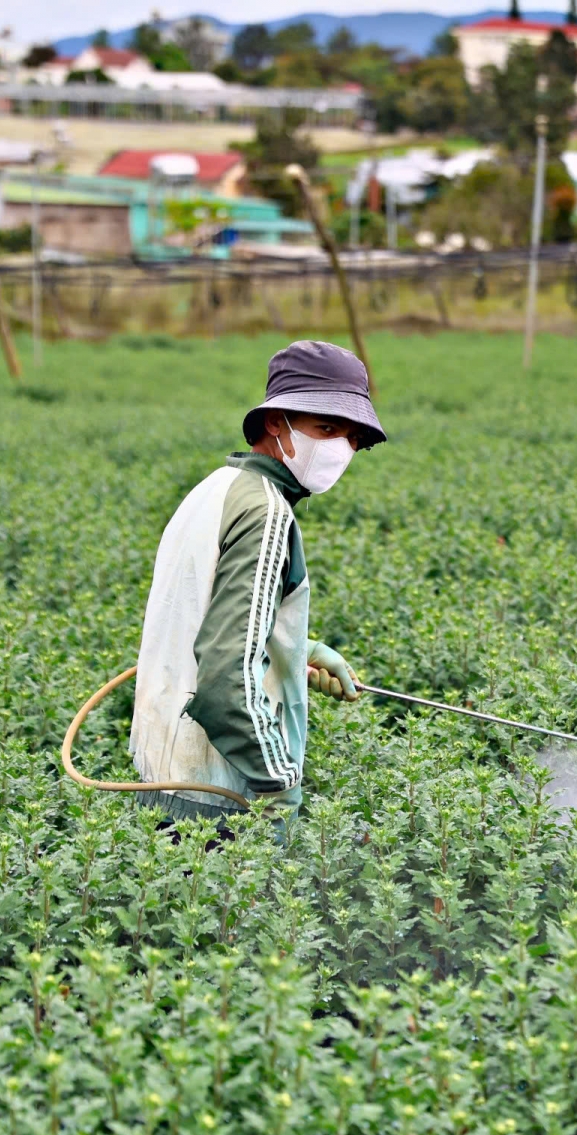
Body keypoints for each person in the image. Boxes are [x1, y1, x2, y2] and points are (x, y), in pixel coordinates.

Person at [129, 340, 384, 831]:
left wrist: (294, 651)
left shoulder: (215, 489)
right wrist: (279, 783)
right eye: (325, 428)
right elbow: (226, 679)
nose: (339, 449)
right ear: (275, 421)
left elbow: (200, 619)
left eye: (351, 438)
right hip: (220, 796)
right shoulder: (265, 513)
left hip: (164, 777)